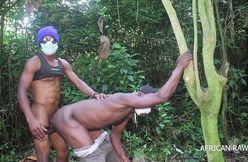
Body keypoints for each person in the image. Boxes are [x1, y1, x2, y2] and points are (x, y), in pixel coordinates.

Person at [52, 52, 193, 162]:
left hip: (85, 124)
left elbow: (115, 134)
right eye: (148, 105)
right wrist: (179, 67)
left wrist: (123, 156)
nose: (146, 112)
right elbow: (161, 97)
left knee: (107, 145)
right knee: (94, 156)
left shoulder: (128, 111)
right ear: (140, 96)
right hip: (66, 118)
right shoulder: (125, 99)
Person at [17, 26, 107, 162]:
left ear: (57, 41)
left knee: (63, 152)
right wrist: (31, 120)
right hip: (39, 114)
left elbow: (78, 82)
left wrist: (94, 94)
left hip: (55, 115)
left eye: (52, 39)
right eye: (45, 39)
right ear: (39, 42)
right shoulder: (34, 62)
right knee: (43, 156)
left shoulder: (62, 63)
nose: (49, 42)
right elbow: (21, 91)